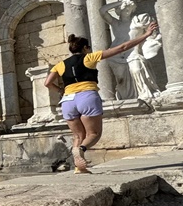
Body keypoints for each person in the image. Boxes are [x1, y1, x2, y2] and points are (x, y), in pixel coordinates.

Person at [44, 22, 159, 173]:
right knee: (93, 134)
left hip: (67, 101)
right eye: (88, 47)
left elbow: (47, 83)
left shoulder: (60, 64)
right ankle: (82, 150)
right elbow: (122, 48)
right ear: (85, 48)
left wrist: (60, 90)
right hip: (87, 96)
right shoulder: (89, 57)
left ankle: (80, 168)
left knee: (78, 136)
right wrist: (145, 35)